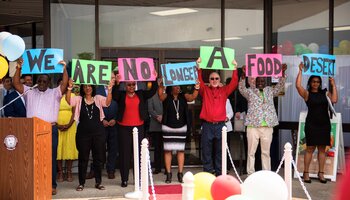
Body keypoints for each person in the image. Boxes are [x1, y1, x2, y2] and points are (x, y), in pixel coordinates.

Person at [13, 58, 68, 195]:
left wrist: (64, 69)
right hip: (32, 129)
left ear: (49, 83)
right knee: (32, 157)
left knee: (50, 158)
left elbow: (65, 83)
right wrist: (18, 68)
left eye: (44, 81)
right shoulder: (29, 91)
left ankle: (51, 185)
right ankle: (33, 183)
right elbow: (15, 83)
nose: (41, 83)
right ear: (36, 82)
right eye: (39, 81)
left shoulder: (55, 93)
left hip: (50, 129)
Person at [66, 77, 114, 191]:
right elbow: (68, 101)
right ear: (82, 87)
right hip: (83, 134)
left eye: (90, 86)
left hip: (98, 133)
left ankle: (98, 182)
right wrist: (69, 87)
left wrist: (110, 89)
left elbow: (107, 103)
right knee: (83, 158)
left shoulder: (97, 98)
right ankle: (81, 183)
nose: (88, 88)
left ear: (93, 87)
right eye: (85, 86)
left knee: (98, 158)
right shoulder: (78, 99)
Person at [238, 64, 286, 175]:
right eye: (258, 81)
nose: (260, 83)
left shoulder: (269, 91)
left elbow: (280, 86)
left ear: (265, 83)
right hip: (253, 126)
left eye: (262, 81)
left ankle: (266, 173)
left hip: (267, 126)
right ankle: (250, 173)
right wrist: (243, 76)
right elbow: (241, 88)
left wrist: (282, 74)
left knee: (266, 152)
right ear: (255, 82)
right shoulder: (250, 92)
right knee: (251, 152)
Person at [112, 74, 158, 188]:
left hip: (139, 127)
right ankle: (125, 179)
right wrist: (117, 83)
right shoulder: (121, 95)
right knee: (124, 155)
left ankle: (139, 178)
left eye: (133, 84)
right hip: (124, 128)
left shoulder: (140, 94)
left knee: (138, 154)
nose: (131, 87)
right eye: (129, 85)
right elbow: (114, 96)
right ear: (125, 85)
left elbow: (152, 91)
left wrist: (154, 79)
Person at [296, 62, 338, 184]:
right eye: (313, 81)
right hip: (312, 125)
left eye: (318, 82)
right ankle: (306, 173)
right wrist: (300, 71)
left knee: (322, 149)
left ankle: (321, 173)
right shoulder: (307, 94)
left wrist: (333, 84)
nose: (316, 83)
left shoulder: (325, 93)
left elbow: (334, 99)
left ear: (320, 83)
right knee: (309, 149)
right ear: (310, 83)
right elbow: (298, 86)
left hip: (324, 124)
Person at [197, 58, 238, 176]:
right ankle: (208, 173)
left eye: (216, 78)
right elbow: (199, 81)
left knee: (220, 151)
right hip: (207, 125)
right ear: (208, 80)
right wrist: (199, 67)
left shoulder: (224, 90)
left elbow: (234, 83)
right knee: (207, 151)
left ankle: (220, 173)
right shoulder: (204, 90)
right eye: (212, 78)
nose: (214, 80)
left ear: (220, 80)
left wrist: (235, 68)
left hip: (220, 125)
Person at [158, 83, 199, 183]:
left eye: (179, 86)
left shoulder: (183, 96)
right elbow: (160, 96)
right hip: (168, 127)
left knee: (180, 151)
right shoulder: (167, 96)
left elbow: (192, 97)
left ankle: (180, 174)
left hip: (181, 127)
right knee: (168, 151)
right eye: (175, 86)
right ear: (171, 88)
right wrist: (161, 86)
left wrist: (197, 88)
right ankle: (168, 174)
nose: (178, 88)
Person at [56, 78, 78, 182]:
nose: (63, 85)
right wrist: (57, 124)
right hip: (57, 125)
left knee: (69, 147)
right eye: (61, 84)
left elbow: (74, 112)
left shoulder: (73, 96)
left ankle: (69, 171)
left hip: (70, 125)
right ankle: (60, 172)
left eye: (64, 83)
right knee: (59, 148)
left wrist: (69, 124)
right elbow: (51, 111)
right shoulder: (55, 96)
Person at [97, 84, 119, 179]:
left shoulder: (118, 89)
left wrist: (116, 119)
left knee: (113, 148)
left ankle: (111, 170)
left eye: (113, 78)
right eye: (110, 77)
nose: (112, 79)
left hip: (114, 123)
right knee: (99, 147)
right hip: (101, 123)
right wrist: (101, 119)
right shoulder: (98, 89)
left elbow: (122, 105)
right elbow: (94, 105)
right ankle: (97, 169)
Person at [148, 92, 163, 175]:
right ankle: (157, 167)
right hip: (155, 125)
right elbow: (150, 109)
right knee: (157, 148)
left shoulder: (167, 94)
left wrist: (164, 117)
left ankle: (166, 167)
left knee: (166, 148)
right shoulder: (152, 95)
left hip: (166, 124)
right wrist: (157, 116)